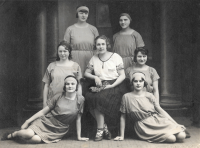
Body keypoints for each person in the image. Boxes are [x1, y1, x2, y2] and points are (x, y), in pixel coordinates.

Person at [1, 75, 89, 143]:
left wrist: (79, 137)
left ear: (76, 85)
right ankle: (13, 134)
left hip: (59, 129)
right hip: (46, 121)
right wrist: (27, 121)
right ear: (64, 86)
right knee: (28, 133)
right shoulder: (58, 96)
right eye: (67, 84)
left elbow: (78, 119)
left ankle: (20, 139)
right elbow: (43, 111)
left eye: (72, 84)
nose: (70, 86)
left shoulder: (80, 99)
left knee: (36, 140)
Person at [114, 72, 186, 143]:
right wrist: (122, 136)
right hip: (144, 126)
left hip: (157, 120)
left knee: (182, 135)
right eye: (135, 81)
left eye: (140, 81)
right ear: (132, 83)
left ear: (144, 83)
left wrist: (175, 123)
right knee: (172, 139)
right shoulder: (126, 97)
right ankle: (167, 134)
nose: (138, 83)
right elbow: (123, 117)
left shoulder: (149, 95)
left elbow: (160, 110)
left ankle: (171, 130)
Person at [84, 35, 131, 141]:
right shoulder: (94, 58)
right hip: (100, 85)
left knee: (98, 98)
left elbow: (122, 75)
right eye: (98, 44)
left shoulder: (116, 57)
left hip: (115, 85)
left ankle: (99, 130)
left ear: (107, 45)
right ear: (95, 46)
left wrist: (112, 85)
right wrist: (95, 76)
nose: (100, 47)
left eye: (103, 44)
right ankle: (104, 127)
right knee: (89, 96)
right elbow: (86, 73)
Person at [43, 41, 82, 107]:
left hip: (69, 101)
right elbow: (46, 85)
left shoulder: (76, 66)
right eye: (60, 51)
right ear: (57, 53)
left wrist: (79, 100)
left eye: (65, 51)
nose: (62, 53)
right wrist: (44, 102)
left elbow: (79, 85)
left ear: (69, 52)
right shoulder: (51, 66)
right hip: (52, 101)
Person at [64, 5, 99, 74]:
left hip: (90, 59)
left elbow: (98, 46)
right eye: (81, 13)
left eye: (86, 13)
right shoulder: (70, 29)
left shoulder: (93, 29)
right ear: (77, 14)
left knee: (89, 79)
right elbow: (65, 48)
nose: (83, 15)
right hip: (74, 59)